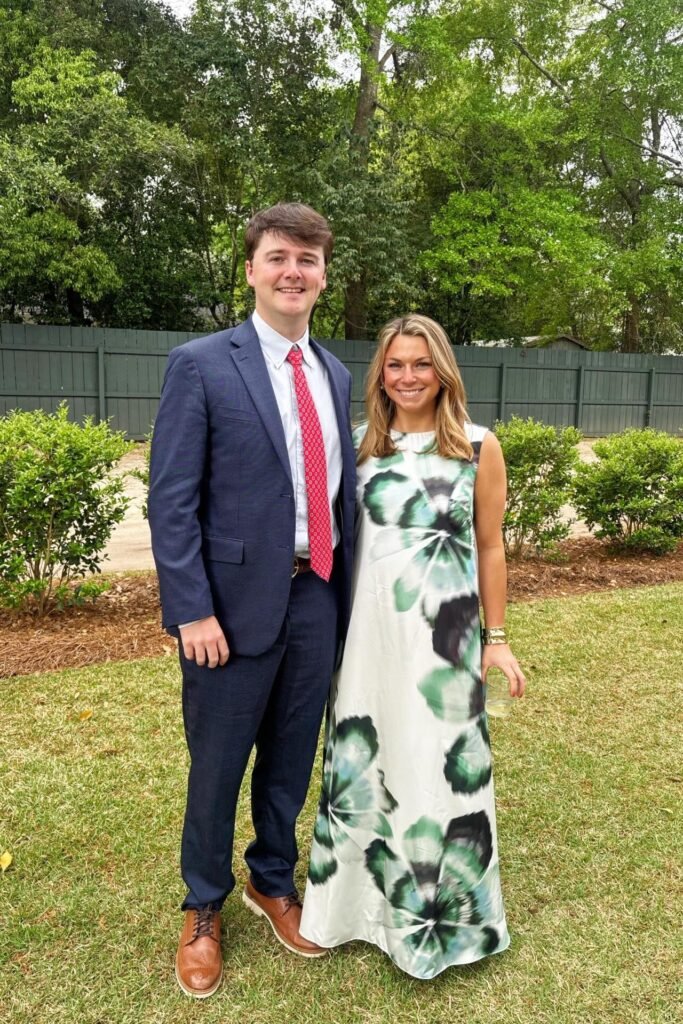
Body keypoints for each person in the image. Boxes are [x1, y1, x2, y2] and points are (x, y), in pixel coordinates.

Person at [147, 203, 356, 998]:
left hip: (316, 597)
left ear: (323, 275)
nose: (292, 271)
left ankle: (272, 880)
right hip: (227, 611)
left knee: (291, 758)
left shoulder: (334, 372)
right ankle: (203, 904)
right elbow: (171, 501)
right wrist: (191, 609)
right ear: (251, 270)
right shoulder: (201, 364)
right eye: (278, 257)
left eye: (307, 259)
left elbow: (337, 494)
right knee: (218, 765)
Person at [300, 313, 526, 980]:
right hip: (366, 641)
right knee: (364, 768)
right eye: (395, 365)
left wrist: (496, 639)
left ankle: (443, 921)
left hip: (444, 645)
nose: (408, 377)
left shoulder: (478, 448)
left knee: (437, 767)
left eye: (421, 364)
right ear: (380, 375)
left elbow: (489, 547)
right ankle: (349, 913)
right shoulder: (356, 448)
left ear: (443, 371)